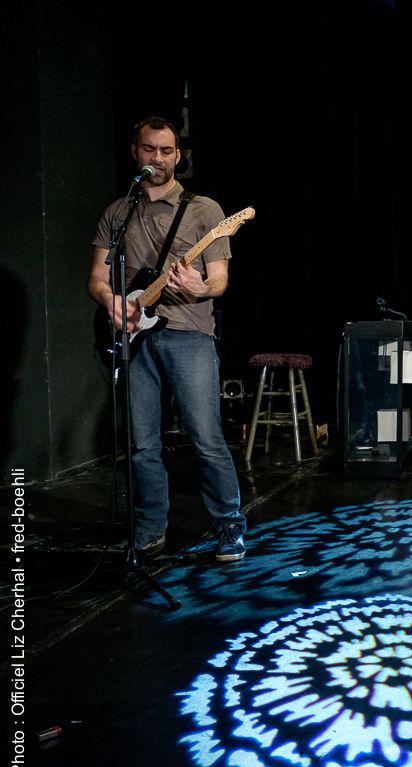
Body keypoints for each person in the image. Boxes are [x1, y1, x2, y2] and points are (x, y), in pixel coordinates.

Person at [87, 116, 247, 561]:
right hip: (135, 337)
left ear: (178, 155)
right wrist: (110, 301)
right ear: (135, 152)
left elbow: (219, 281)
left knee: (205, 437)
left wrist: (201, 286)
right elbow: (97, 277)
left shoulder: (205, 210)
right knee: (142, 443)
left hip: (189, 334)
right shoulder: (118, 212)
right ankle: (149, 528)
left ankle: (229, 524)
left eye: (166, 151)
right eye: (149, 149)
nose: (157, 158)